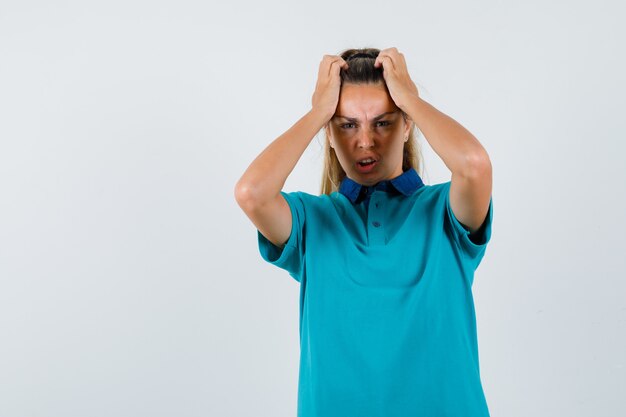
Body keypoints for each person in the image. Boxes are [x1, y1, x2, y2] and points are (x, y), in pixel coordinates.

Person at [234, 46, 494, 417]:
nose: (365, 141)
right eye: (348, 124)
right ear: (330, 131)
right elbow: (252, 193)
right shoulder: (312, 221)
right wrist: (318, 113)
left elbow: (473, 164)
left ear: (407, 125)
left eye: (384, 122)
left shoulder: (445, 212)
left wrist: (409, 99)